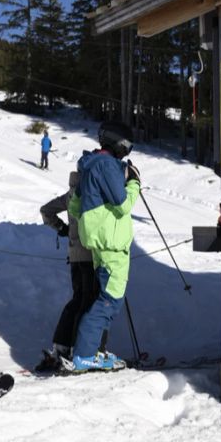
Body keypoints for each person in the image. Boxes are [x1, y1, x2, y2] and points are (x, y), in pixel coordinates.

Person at [65, 121, 140, 373]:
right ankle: (85, 355)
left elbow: (74, 207)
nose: (128, 150)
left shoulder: (89, 166)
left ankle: (91, 351)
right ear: (119, 143)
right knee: (109, 301)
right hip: (112, 244)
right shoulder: (106, 165)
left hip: (99, 244)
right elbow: (122, 204)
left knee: (102, 299)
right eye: (127, 145)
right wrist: (134, 183)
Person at [35, 171, 110, 373]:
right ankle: (84, 351)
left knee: (78, 300)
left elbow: (46, 210)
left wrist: (62, 228)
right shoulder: (91, 194)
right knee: (90, 303)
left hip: (75, 257)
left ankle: (62, 346)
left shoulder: (70, 195)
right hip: (90, 256)